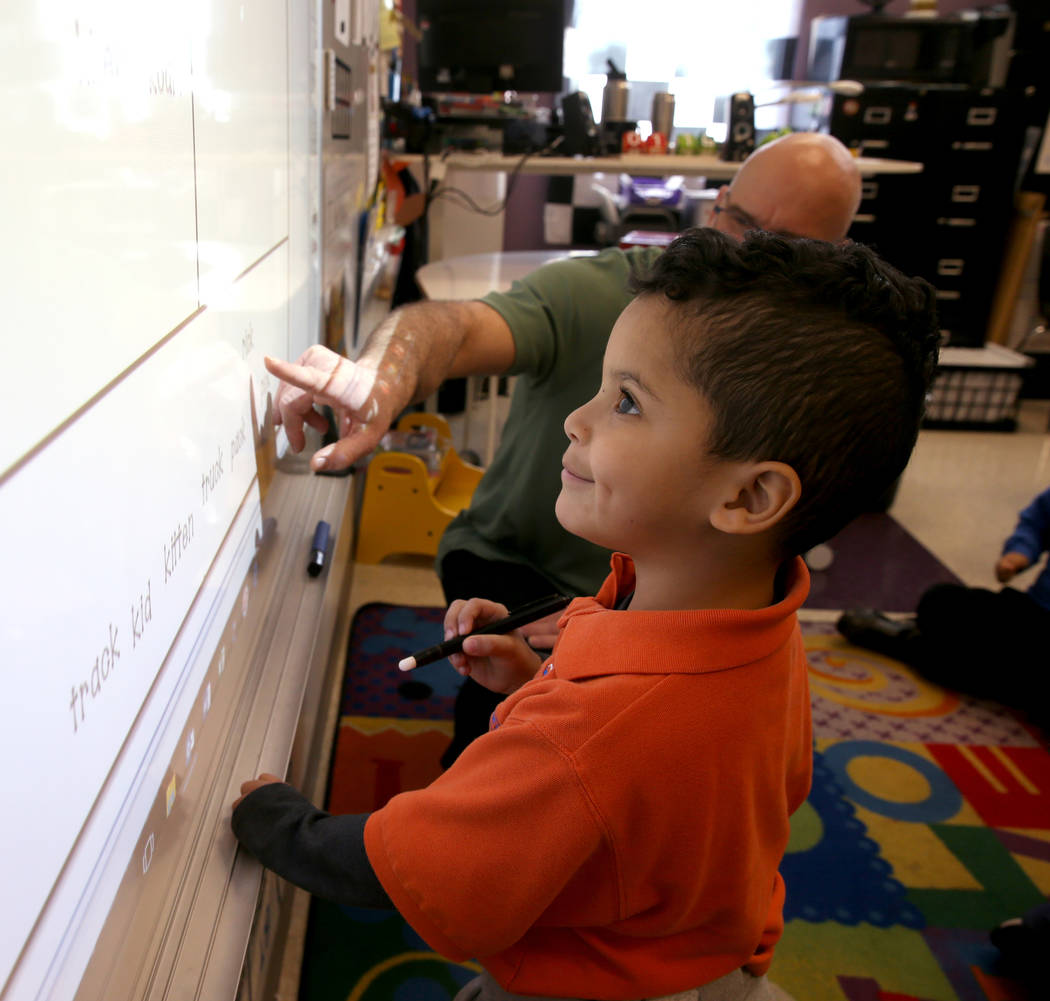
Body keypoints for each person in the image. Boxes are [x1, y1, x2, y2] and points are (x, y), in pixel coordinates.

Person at [231, 229, 939, 1001]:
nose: (577, 418)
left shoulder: (587, 738)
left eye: (627, 402)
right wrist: (535, 680)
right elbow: (695, 783)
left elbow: (424, 867)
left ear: (749, 498)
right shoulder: (767, 627)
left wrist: (275, 820)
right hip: (714, 963)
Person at [264, 131, 863, 764]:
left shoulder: (805, 379)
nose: (747, 256)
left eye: (787, 249)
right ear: (715, 207)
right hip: (528, 571)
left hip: (640, 604)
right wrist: (383, 373)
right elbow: (456, 327)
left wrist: (607, 626)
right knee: (506, 739)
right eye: (736, 220)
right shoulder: (619, 294)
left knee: (593, 745)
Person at [836, 485, 1050, 731]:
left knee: (994, 673)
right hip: (1036, 613)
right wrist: (1020, 552)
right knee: (939, 601)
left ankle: (905, 640)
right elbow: (1039, 519)